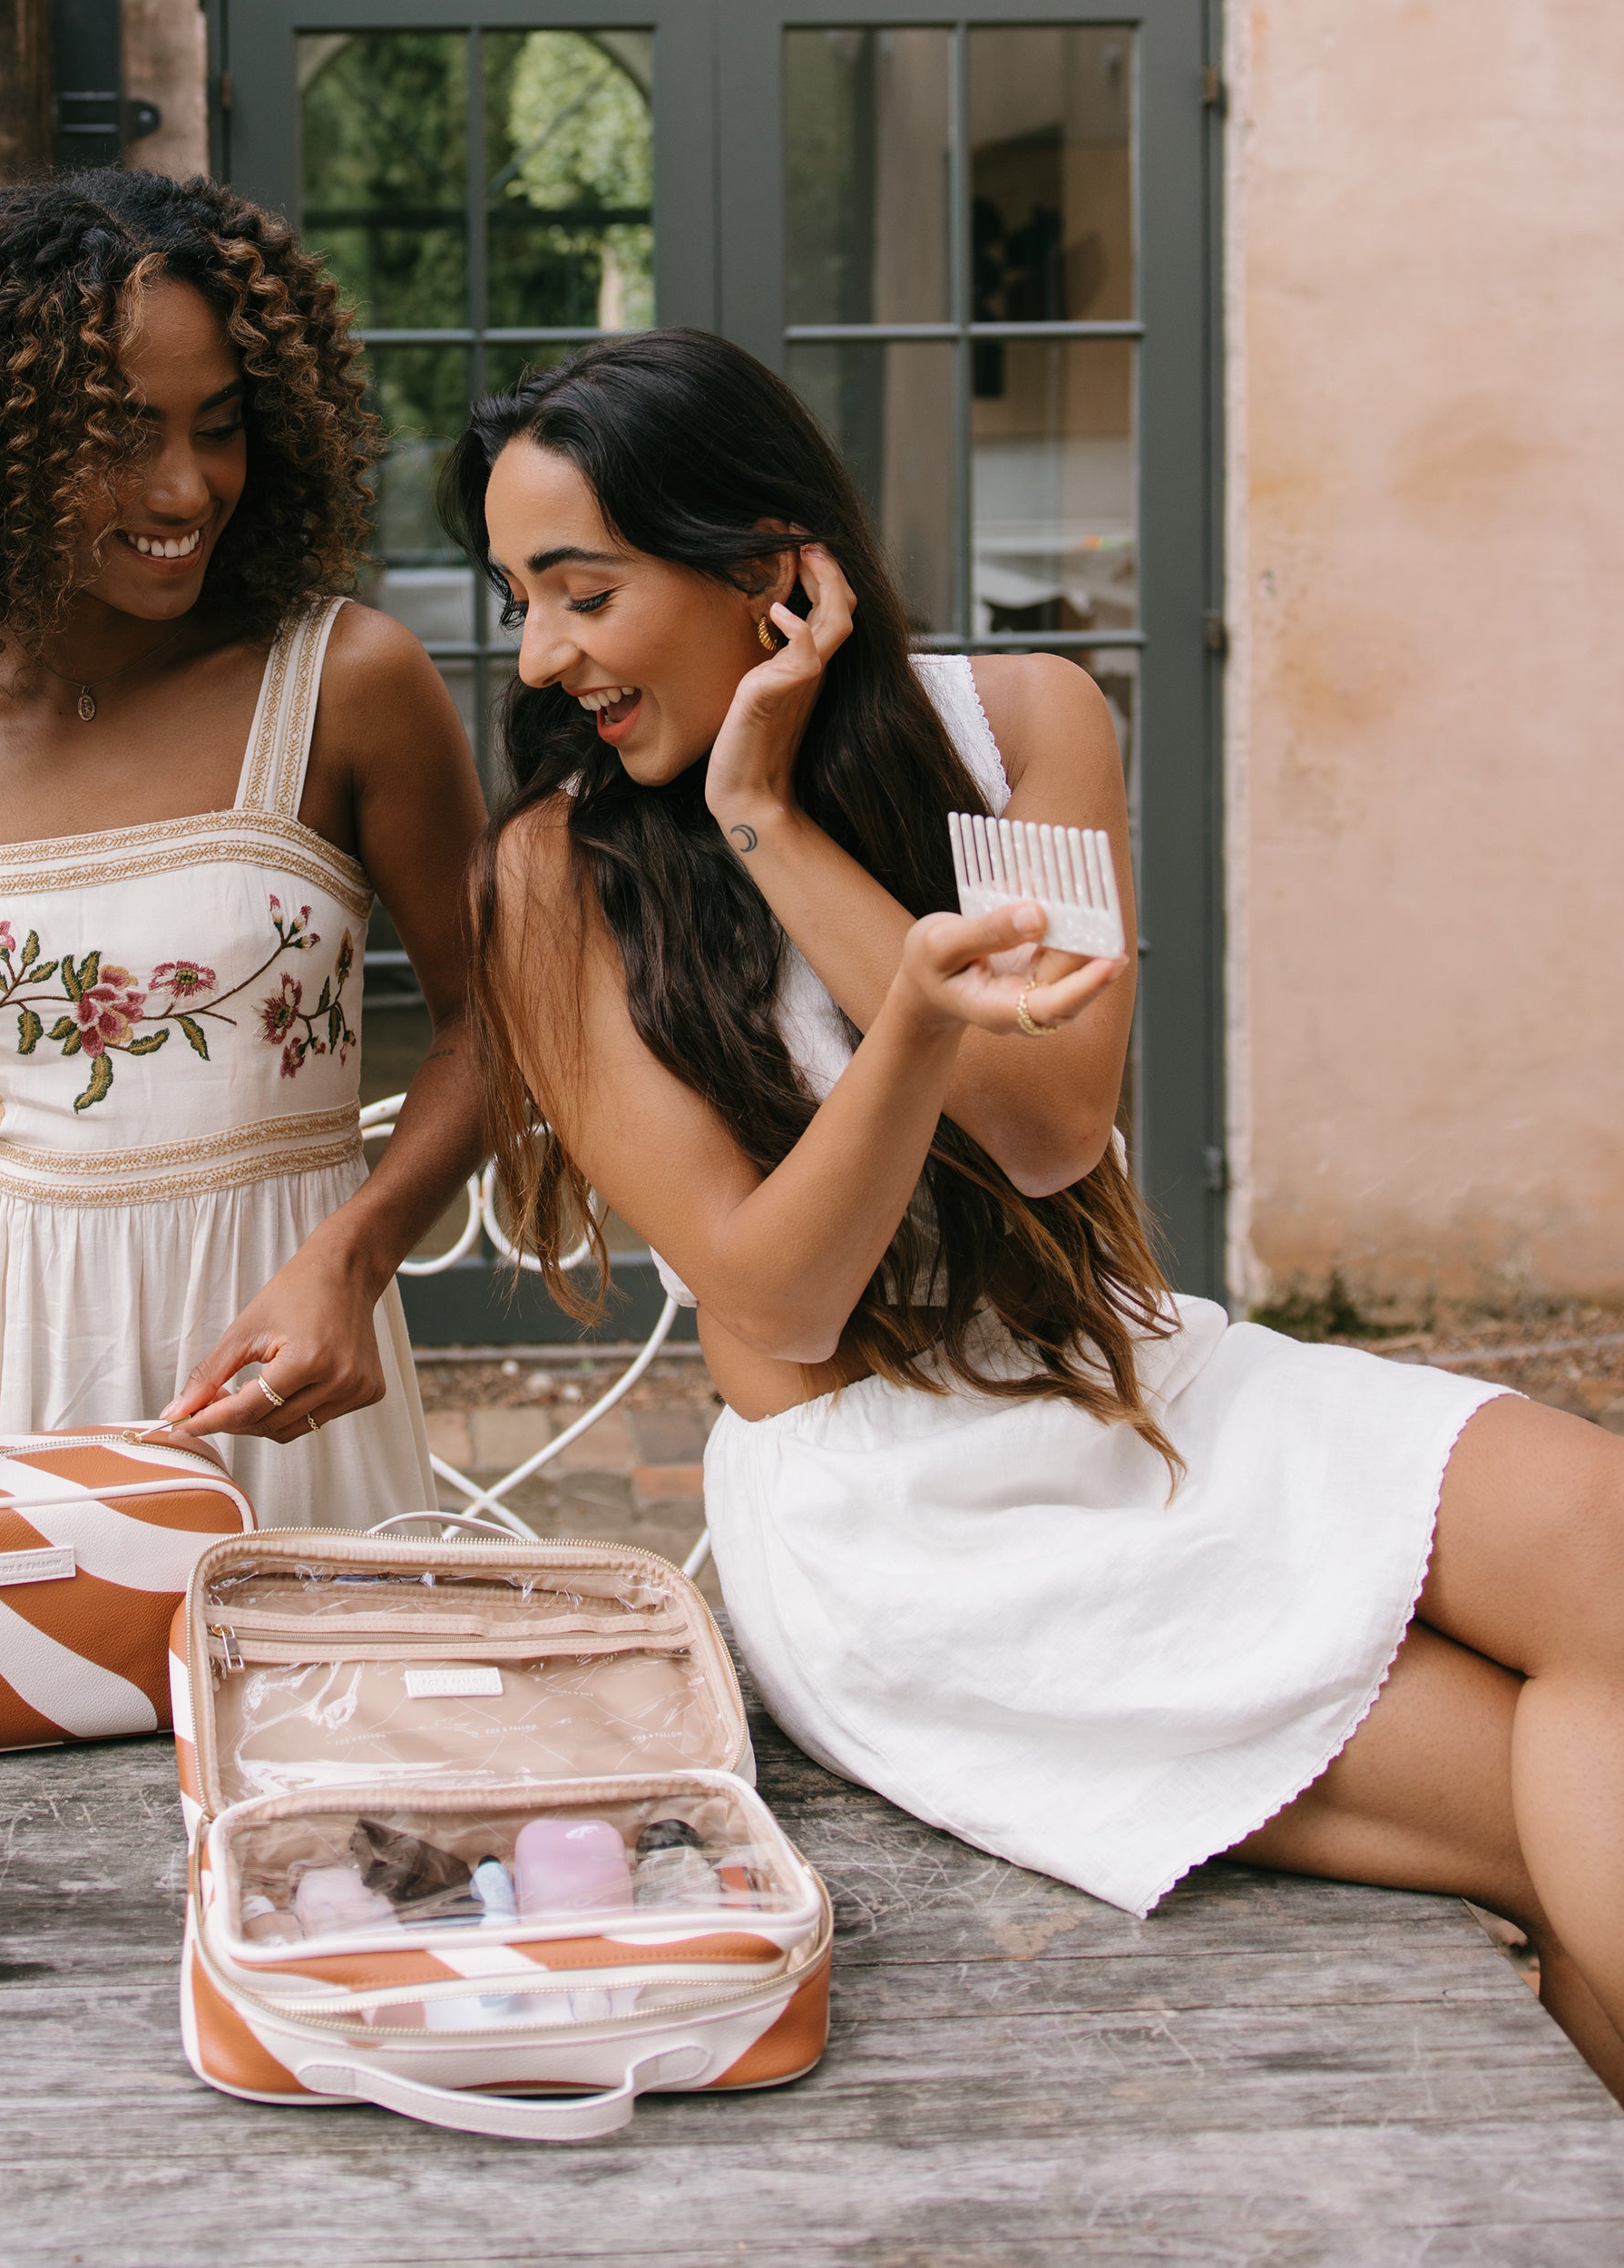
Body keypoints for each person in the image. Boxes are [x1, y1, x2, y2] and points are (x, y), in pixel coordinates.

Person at [444, 327, 1624, 2096]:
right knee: (1542, 1820)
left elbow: (1057, 1124)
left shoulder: (1022, 727)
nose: (541, 655)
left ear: (767, 568)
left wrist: (764, 816)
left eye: (580, 591)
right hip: (903, 1516)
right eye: (518, 598)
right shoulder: (551, 874)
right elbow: (772, 1301)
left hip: (1132, 1378)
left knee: (1599, 1541)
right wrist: (906, 1015)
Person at [0, 170, 484, 1527]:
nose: (185, 486)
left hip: (270, 1363)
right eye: (119, 436)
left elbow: (507, 1025)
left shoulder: (348, 683)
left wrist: (354, 1263)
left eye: (219, 426)